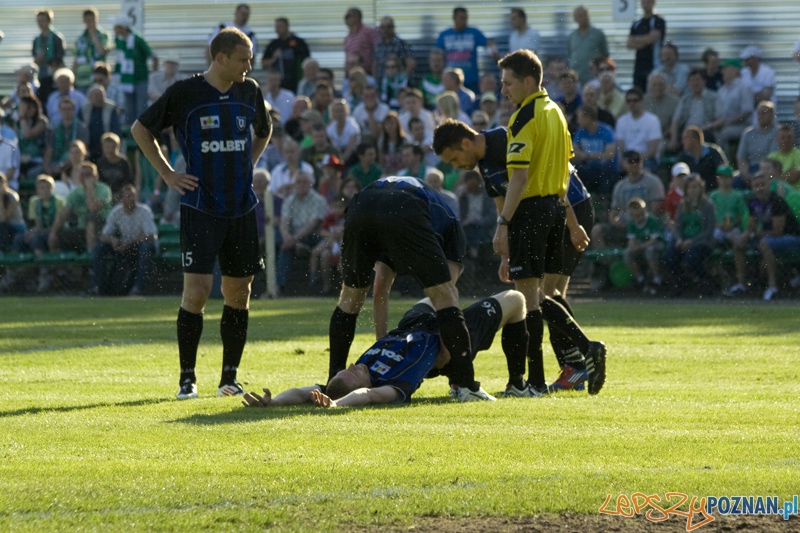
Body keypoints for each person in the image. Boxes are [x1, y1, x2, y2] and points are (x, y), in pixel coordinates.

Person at [131, 28, 272, 399]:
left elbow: (264, 130)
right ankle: (187, 379)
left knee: (238, 292)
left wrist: (248, 163)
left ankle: (229, 378)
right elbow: (141, 129)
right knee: (196, 292)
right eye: (244, 58)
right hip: (201, 206)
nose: (249, 65)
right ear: (221, 58)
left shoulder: (249, 90)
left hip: (241, 207)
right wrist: (167, 174)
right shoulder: (185, 93)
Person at [432, 118, 604, 394]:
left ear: (465, 143)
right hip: (553, 213)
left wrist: (573, 224)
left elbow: (550, 178)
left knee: (540, 293)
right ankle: (577, 362)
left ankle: (578, 360)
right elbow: (503, 205)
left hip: (568, 205)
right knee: (549, 293)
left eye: (454, 159)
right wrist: (505, 255)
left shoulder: (506, 141)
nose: (456, 167)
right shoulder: (484, 164)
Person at [328, 175, 494, 402]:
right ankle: (468, 385)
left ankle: (334, 380)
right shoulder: (453, 230)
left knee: (350, 300)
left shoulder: (400, 226)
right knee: (444, 294)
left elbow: (380, 291)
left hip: (361, 204)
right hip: (406, 206)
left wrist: (383, 343)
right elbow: (446, 300)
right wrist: (445, 354)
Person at [244, 290, 530, 408]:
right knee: (516, 299)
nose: (354, 367)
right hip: (447, 339)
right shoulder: (392, 384)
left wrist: (274, 402)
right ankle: (517, 383)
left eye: (348, 368)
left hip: (410, 326)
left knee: (444, 285)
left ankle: (458, 380)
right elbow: (366, 396)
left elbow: (301, 392)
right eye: (354, 374)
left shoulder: (347, 378)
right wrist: (337, 406)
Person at [725, 172, 800, 300]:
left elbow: (778, 232)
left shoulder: (777, 201)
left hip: (791, 239)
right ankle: (741, 284)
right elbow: (751, 227)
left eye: (762, 184)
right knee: (738, 242)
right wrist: (745, 235)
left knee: (765, 243)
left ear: (769, 185)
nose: (759, 188)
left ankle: (772, 286)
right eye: (756, 185)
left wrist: (753, 234)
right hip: (767, 237)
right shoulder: (753, 202)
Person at [591, 150, 665, 250]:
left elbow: (656, 209)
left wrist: (639, 222)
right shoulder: (620, 186)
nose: (635, 164)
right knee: (597, 231)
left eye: (637, 161)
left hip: (646, 226)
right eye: (631, 161)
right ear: (624, 164)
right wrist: (615, 222)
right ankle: (605, 263)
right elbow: (614, 211)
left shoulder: (653, 181)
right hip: (626, 226)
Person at [92, 184, 157, 295]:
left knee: (145, 248)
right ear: (121, 199)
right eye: (128, 196)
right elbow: (104, 236)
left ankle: (138, 288)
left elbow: (151, 236)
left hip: (140, 245)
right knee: (100, 248)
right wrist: (113, 240)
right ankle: (97, 287)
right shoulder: (116, 212)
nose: (131, 199)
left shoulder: (144, 211)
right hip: (125, 245)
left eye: (133, 196)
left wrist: (130, 242)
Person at [663, 175, 716, 294]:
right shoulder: (683, 205)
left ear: (701, 188)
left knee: (691, 258)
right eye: (689, 188)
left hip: (702, 241)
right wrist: (679, 240)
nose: (692, 190)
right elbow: (678, 226)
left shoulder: (708, 205)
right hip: (684, 240)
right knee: (669, 256)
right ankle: (679, 283)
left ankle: (706, 280)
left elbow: (709, 230)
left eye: (695, 187)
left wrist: (692, 241)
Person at [276, 171, 328, 293]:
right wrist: (288, 238)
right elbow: (284, 222)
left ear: (311, 184)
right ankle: (280, 286)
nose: (301, 184)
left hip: (312, 236)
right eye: (298, 182)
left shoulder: (318, 200)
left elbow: (313, 224)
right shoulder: (289, 200)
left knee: (286, 247)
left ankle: (279, 286)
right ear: (294, 184)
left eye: (305, 182)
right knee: (283, 244)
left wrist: (293, 239)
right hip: (293, 236)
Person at [48, 161, 112, 254]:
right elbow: (64, 213)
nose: (86, 177)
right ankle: (66, 266)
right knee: (58, 235)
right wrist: (53, 232)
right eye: (83, 175)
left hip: (102, 228)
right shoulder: (76, 193)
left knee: (91, 217)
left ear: (95, 176)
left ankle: (91, 256)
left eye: (89, 175)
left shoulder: (103, 189)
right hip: (82, 228)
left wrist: (90, 189)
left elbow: (92, 208)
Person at [435, 7, 498, 94]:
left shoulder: (474, 33)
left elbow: (488, 43)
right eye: (460, 18)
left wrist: (494, 52)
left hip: (471, 79)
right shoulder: (444, 35)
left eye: (465, 18)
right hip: (451, 80)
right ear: (454, 18)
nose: (463, 21)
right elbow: (437, 55)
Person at [113, 15, 158, 124]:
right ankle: (130, 135)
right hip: (126, 80)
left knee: (141, 108)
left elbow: (153, 56)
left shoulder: (138, 40)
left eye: (116, 27)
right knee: (129, 109)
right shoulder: (119, 40)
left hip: (141, 79)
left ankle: (142, 132)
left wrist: (153, 75)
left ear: (123, 28)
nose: (114, 29)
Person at [709, 59, 753, 157]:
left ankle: (726, 164)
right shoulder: (722, 90)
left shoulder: (744, 87)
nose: (722, 71)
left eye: (725, 68)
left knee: (723, 134)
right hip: (724, 125)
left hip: (743, 126)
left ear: (734, 70)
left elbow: (747, 111)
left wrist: (730, 122)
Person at [668, 69, 718, 152]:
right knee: (670, 149)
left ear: (704, 81)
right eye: (692, 80)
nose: (695, 83)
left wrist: (707, 126)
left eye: (698, 80)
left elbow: (721, 119)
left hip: (705, 131)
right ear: (688, 83)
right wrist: (673, 139)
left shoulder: (713, 97)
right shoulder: (684, 99)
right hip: (687, 133)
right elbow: (675, 120)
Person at [615, 88, 662, 173]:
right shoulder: (621, 121)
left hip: (646, 160)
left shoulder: (653, 120)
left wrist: (636, 162)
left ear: (641, 101)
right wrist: (625, 161)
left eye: (635, 100)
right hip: (628, 160)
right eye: (629, 101)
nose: (632, 103)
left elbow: (653, 149)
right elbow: (620, 146)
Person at [572, 105, 616, 194]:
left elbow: (610, 155)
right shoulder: (581, 131)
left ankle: (604, 198)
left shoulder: (606, 131)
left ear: (587, 118)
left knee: (606, 166)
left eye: (579, 118)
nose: (577, 121)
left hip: (605, 169)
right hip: (589, 168)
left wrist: (586, 155)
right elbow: (574, 150)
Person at [624, 197, 665, 293]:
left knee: (650, 251)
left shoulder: (651, 220)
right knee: (627, 254)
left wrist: (639, 247)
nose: (639, 218)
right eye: (635, 215)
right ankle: (640, 279)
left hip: (657, 245)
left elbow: (654, 240)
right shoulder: (632, 223)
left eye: (640, 214)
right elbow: (631, 239)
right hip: (642, 245)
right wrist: (632, 247)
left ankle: (656, 278)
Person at [308, 194, 347, 295]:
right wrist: (332, 235)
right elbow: (322, 231)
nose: (337, 210)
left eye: (340, 207)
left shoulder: (347, 217)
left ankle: (347, 288)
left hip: (343, 245)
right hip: (331, 243)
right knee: (320, 253)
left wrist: (340, 234)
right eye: (334, 207)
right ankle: (318, 279)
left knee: (341, 265)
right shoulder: (329, 218)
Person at [736, 101, 778, 188]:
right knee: (735, 182)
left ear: (772, 115)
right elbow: (741, 157)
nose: (760, 116)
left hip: (767, 169)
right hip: (749, 168)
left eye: (764, 113)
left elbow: (772, 157)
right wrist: (745, 173)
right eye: (759, 113)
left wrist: (758, 175)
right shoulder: (748, 133)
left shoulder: (777, 132)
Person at [43, 97, 89, 177]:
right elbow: (49, 150)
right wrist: (46, 167)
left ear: (74, 110)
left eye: (69, 109)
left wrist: (61, 166)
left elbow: (81, 152)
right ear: (59, 111)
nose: (66, 112)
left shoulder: (82, 128)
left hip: (74, 163)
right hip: (56, 162)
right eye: (63, 109)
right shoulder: (55, 129)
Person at [261, 18, 309, 93]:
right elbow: (264, 63)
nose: (276, 30)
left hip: (295, 83)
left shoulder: (299, 43)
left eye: (279, 27)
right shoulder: (273, 44)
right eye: (276, 27)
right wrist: (274, 58)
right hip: (278, 84)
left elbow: (307, 62)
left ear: (287, 26)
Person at [627, 0, 666, 91]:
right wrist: (645, 40)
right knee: (638, 93)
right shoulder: (637, 23)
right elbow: (629, 44)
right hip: (639, 66)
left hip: (654, 65)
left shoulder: (658, 20)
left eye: (648, 2)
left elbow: (652, 39)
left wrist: (636, 39)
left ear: (653, 3)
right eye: (644, 2)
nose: (646, 4)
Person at [568, 6, 609, 85]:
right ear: (575, 19)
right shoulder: (572, 36)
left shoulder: (598, 34)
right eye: (580, 16)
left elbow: (605, 56)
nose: (583, 18)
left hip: (594, 77)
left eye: (585, 15)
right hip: (577, 78)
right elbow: (570, 55)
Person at [73, 8, 111, 93]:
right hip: (82, 79)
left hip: (97, 78)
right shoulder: (80, 38)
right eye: (87, 20)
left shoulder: (103, 35)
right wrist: (73, 76)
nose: (89, 22)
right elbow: (76, 58)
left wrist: (93, 35)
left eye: (91, 20)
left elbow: (102, 51)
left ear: (96, 19)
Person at [79, 85, 121, 162]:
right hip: (89, 144)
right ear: (90, 98)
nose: (99, 98)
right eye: (96, 96)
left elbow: (115, 129)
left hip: (106, 144)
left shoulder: (111, 107)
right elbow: (80, 127)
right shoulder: (84, 108)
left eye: (101, 95)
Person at [710, 165, 747, 248]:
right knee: (712, 241)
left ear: (732, 179)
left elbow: (742, 214)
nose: (723, 180)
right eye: (721, 177)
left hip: (734, 228)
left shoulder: (737, 195)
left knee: (737, 240)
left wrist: (732, 224)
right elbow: (709, 214)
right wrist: (717, 224)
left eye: (726, 177)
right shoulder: (713, 196)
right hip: (717, 228)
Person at [373, 17, 415, 84]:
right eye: (382, 27)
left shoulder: (401, 44)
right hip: (381, 85)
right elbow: (374, 65)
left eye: (388, 27)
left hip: (397, 85)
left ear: (393, 27)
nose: (385, 30)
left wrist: (402, 80)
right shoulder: (378, 46)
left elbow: (411, 64)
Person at [343, 8, 380, 76]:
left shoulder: (368, 31)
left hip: (366, 72)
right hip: (351, 74)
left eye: (348, 16)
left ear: (357, 17)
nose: (345, 19)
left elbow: (378, 48)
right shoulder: (348, 37)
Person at [739, 45, 776, 110]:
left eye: (748, 59)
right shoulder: (743, 72)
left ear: (756, 58)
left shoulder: (768, 72)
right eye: (745, 60)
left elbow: (766, 95)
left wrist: (746, 98)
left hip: (765, 111)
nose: (745, 62)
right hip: (748, 111)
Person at [32, 10, 65, 81]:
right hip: (40, 73)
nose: (40, 23)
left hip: (53, 73)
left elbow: (60, 56)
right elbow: (34, 56)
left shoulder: (56, 38)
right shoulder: (37, 40)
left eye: (42, 20)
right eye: (39, 21)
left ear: (49, 21)